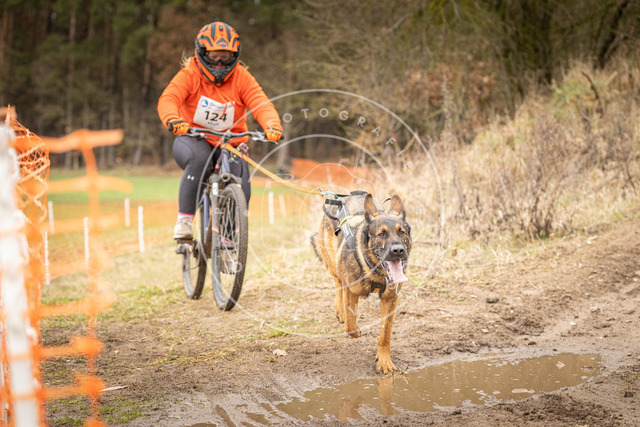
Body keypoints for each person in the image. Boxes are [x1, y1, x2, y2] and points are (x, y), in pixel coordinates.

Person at [157, 21, 283, 239]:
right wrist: (173, 119)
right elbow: (169, 99)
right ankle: (185, 220)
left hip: (230, 142)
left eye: (225, 56)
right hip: (193, 138)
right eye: (214, 56)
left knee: (242, 184)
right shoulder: (189, 74)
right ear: (201, 53)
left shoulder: (241, 77)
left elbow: (261, 104)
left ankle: (227, 237)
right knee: (200, 159)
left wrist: (272, 125)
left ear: (235, 55)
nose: (219, 63)